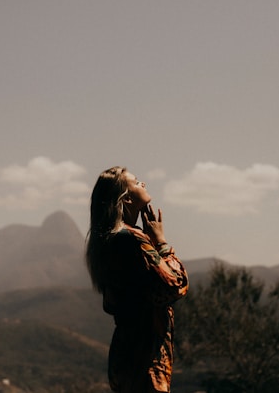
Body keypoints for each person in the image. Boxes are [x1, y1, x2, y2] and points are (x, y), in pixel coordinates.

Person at [86, 166, 189, 393]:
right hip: (145, 357)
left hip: (125, 356)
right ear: (125, 198)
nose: (143, 183)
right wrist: (161, 243)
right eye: (136, 182)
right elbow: (175, 286)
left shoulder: (109, 242)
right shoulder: (131, 240)